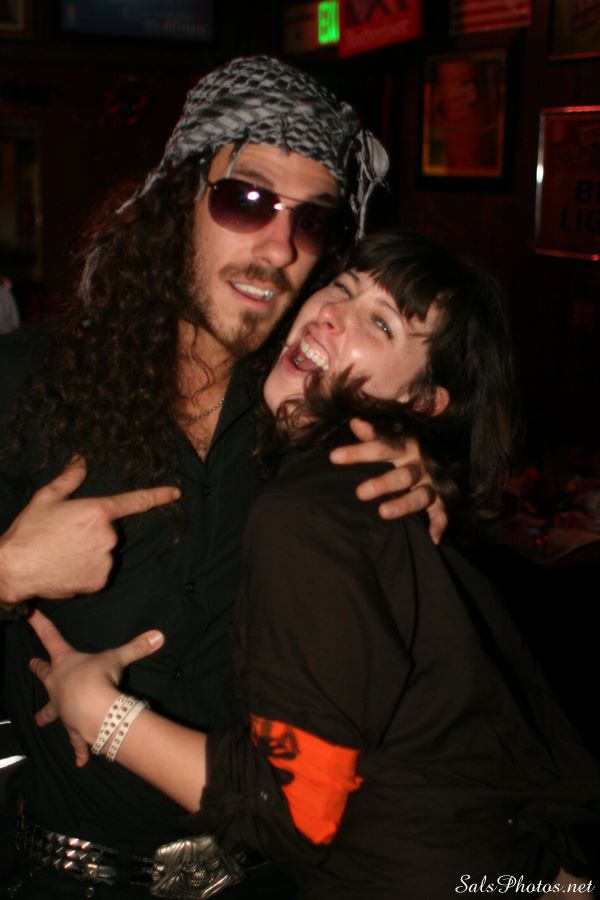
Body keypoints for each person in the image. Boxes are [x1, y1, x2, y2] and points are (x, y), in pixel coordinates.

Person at [27, 231, 600, 899]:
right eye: (341, 288)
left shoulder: (318, 509)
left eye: (381, 324)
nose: (331, 314)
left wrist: (99, 711)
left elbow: (294, 812)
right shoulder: (377, 490)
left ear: (423, 400)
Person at [0, 57, 443, 899]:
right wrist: (8, 571)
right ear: (177, 200)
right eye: (246, 199)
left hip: (270, 876)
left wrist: (422, 471)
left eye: (312, 221)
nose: (278, 246)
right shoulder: (24, 383)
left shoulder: (316, 428)